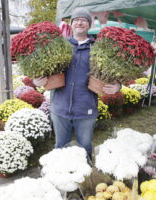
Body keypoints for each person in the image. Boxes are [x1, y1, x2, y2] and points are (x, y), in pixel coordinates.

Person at [34, 8, 120, 160]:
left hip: (85, 108)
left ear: (89, 24)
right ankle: (61, 177)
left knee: (85, 146)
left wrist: (117, 86)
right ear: (71, 24)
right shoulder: (59, 46)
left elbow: (114, 72)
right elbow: (41, 70)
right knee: (60, 146)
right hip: (60, 108)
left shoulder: (98, 49)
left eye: (84, 20)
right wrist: (36, 80)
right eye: (76, 20)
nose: (80, 22)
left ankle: (85, 179)